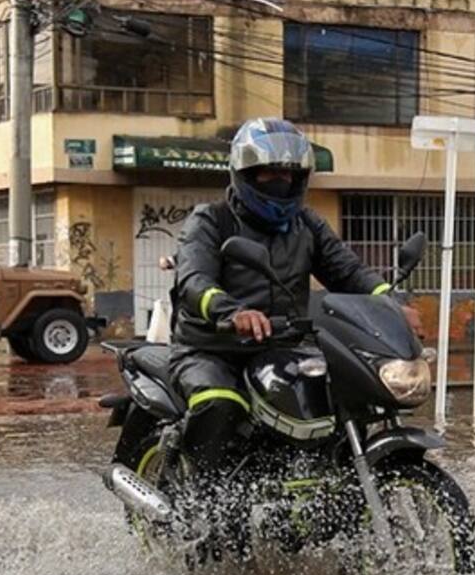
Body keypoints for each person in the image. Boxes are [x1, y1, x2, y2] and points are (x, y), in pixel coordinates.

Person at [169, 117, 419, 482]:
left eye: (288, 175)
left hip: (283, 346)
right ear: (244, 174)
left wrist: (391, 304)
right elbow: (193, 280)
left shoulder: (307, 224)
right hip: (211, 347)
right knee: (220, 404)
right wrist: (232, 311)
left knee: (334, 399)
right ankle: (202, 503)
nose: (280, 183)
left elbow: (348, 271)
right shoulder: (211, 220)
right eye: (268, 174)